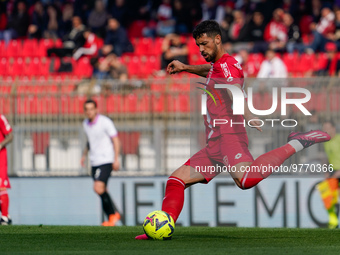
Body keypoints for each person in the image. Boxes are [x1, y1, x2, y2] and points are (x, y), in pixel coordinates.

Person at [135, 20, 331, 240]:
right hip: (214, 144)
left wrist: (249, 116)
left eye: (205, 43)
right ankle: (163, 228)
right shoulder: (219, 66)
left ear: (218, 39)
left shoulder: (228, 65)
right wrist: (186, 67)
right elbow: (212, 71)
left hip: (229, 137)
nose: (201, 49)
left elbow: (234, 90)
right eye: (198, 45)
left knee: (245, 180)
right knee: (175, 181)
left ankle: (297, 142)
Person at [81, 99, 121, 226]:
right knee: (102, 189)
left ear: (96, 109)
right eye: (86, 109)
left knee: (98, 187)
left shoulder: (105, 122)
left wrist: (116, 158)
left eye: (91, 109)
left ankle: (113, 214)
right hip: (94, 161)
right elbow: (90, 141)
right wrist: (84, 154)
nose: (89, 112)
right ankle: (111, 218)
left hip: (106, 160)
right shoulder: (85, 124)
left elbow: (115, 140)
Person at [319, 120, 340, 229]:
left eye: (327, 127)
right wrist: (326, 171)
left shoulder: (339, 139)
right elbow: (327, 158)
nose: (325, 130)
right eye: (324, 128)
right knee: (326, 193)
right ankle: (333, 221)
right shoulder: (326, 142)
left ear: (333, 128)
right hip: (333, 172)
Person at [0, 114, 13, 225]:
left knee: (1, 186)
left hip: (0, 157)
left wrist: (0, 144)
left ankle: (4, 217)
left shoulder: (1, 118)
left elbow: (10, 136)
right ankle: (6, 215)